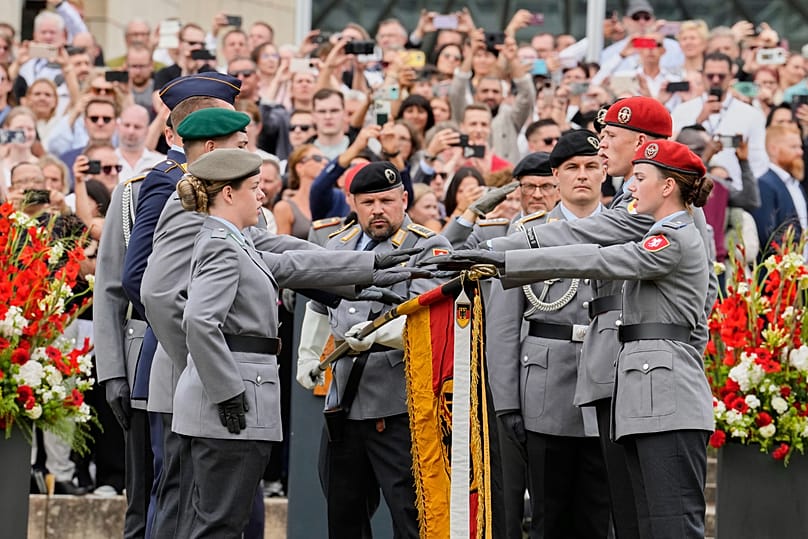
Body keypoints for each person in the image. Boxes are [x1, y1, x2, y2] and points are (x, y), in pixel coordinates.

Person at [441, 139, 716, 538]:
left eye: (639, 178)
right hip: (638, 393)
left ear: (668, 186)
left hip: (665, 394)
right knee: (643, 522)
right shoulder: (657, 232)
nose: (631, 188)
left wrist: (505, 260)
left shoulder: (669, 238)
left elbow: (597, 257)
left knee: (670, 522)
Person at [172, 148, 417, 537]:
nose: (263, 195)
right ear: (229, 195)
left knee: (213, 520)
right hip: (231, 402)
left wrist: (373, 268)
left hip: (235, 397)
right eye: (254, 188)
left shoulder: (239, 239)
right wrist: (227, 391)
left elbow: (298, 259)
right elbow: (199, 322)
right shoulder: (222, 243)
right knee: (219, 523)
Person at [296, 161, 451, 539]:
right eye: (368, 202)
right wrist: (308, 353)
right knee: (343, 514)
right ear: (353, 203)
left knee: (411, 517)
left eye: (386, 200)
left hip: (399, 405)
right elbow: (320, 303)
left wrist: (377, 334)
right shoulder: (337, 244)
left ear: (404, 199)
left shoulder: (428, 247)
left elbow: (427, 319)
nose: (377, 209)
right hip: (343, 405)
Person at [487, 130, 611, 538]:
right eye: (571, 168)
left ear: (605, 172)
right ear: (555, 176)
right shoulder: (528, 236)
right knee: (548, 518)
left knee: (599, 517)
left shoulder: (625, 230)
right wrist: (506, 403)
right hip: (544, 391)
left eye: (591, 166)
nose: (582, 176)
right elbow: (504, 327)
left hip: (607, 392)